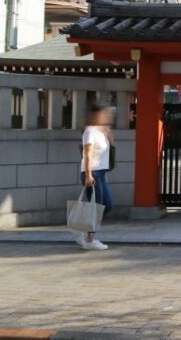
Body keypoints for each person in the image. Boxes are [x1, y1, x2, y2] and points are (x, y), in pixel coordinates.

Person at [74, 103, 114, 251]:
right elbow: (88, 154)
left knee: (108, 205)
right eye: (103, 115)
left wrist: (109, 134)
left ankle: (85, 229)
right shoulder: (90, 131)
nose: (106, 117)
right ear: (95, 116)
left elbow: (109, 151)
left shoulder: (101, 131)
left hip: (101, 173)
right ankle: (90, 239)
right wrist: (89, 175)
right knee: (96, 207)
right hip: (92, 173)